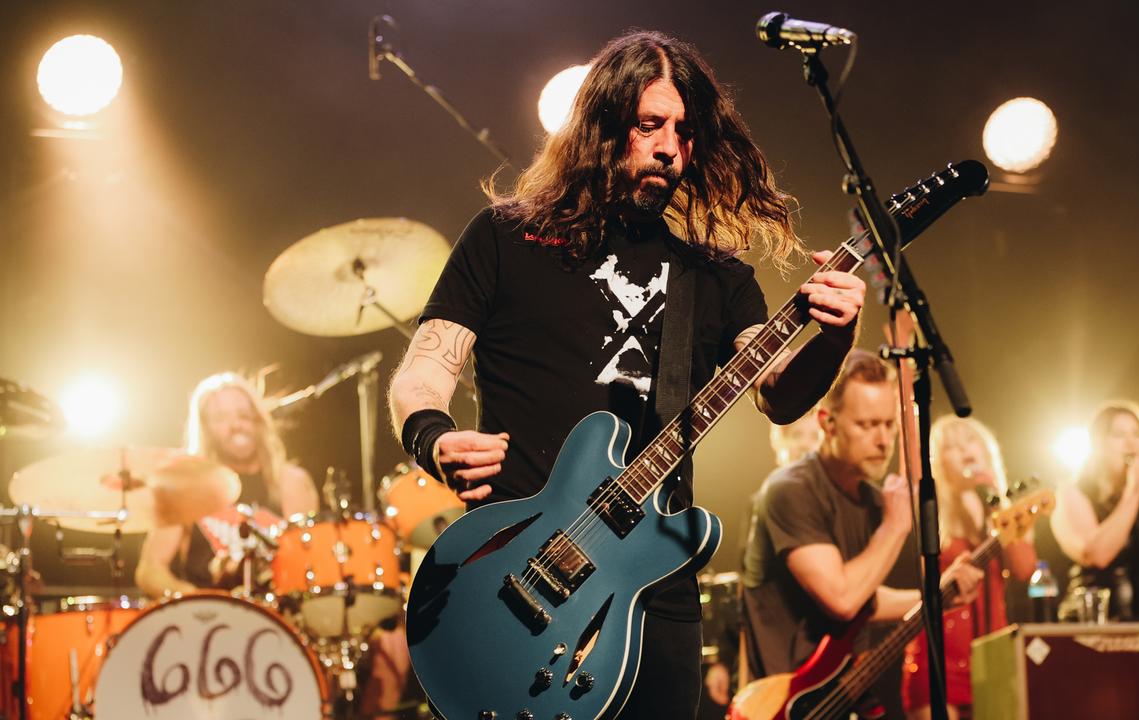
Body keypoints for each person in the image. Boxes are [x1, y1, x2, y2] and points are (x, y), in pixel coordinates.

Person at [388, 31, 869, 717]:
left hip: (651, 598)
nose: (670, 147)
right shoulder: (505, 239)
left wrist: (833, 339)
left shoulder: (719, 277)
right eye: (650, 125)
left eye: (684, 130)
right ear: (602, 126)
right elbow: (422, 373)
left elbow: (777, 391)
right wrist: (433, 439)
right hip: (511, 583)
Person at [740, 350, 984, 704]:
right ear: (827, 423)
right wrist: (895, 527)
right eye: (868, 425)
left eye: (888, 425)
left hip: (834, 699)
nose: (884, 441)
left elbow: (864, 596)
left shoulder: (871, 500)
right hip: (783, 703)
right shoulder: (790, 490)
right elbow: (841, 599)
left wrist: (937, 596)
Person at [900, 415, 1036, 720]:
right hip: (938, 657)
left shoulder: (1003, 510)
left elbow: (1025, 568)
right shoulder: (928, 509)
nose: (965, 452)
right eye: (952, 446)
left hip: (992, 652)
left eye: (971, 442)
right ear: (938, 459)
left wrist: (994, 501)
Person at [136, 372, 318, 596]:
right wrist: (198, 598)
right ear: (205, 428)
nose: (235, 425)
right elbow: (150, 570)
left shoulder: (292, 482)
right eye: (221, 418)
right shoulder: (185, 486)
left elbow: (310, 564)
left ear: (258, 420)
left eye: (243, 415)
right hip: (206, 620)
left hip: (276, 619)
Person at [1050, 400, 1139, 620]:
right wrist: (1133, 491)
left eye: (1137, 434)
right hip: (1090, 625)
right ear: (1097, 445)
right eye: (1118, 434)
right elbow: (1098, 555)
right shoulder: (1072, 494)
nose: (1130, 443)